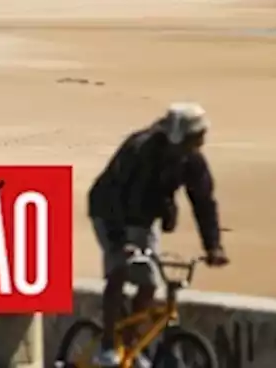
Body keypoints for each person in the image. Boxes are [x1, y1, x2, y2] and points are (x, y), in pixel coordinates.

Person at [87, 103, 230, 367]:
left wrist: (213, 246)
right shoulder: (138, 148)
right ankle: (107, 345)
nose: (198, 144)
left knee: (150, 283)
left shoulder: (192, 159)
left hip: (144, 218)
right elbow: (115, 193)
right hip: (109, 212)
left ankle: (131, 348)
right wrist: (120, 241)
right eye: (193, 139)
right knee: (119, 270)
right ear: (178, 136)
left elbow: (203, 202)